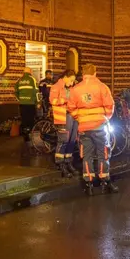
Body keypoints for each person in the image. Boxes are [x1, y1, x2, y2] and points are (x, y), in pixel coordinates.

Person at [67, 63, 118, 195]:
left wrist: (80, 118)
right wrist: (104, 118)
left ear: (83, 74)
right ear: (95, 73)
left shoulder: (75, 89)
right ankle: (105, 182)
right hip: (100, 127)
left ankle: (88, 184)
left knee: (87, 156)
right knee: (103, 154)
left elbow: (71, 108)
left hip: (84, 127)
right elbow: (110, 106)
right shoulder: (102, 87)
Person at [49, 70, 79, 178]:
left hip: (73, 116)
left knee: (72, 140)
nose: (72, 83)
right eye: (71, 80)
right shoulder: (56, 86)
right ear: (65, 77)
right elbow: (52, 100)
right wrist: (66, 100)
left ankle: (68, 162)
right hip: (62, 116)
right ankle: (60, 164)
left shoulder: (71, 88)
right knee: (63, 141)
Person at [14, 67, 38, 140]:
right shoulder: (32, 79)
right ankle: (29, 133)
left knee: (24, 119)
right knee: (30, 119)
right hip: (31, 103)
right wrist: (38, 102)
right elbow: (36, 91)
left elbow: (16, 92)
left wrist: (20, 100)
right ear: (30, 72)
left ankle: (25, 135)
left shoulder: (19, 80)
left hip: (22, 104)